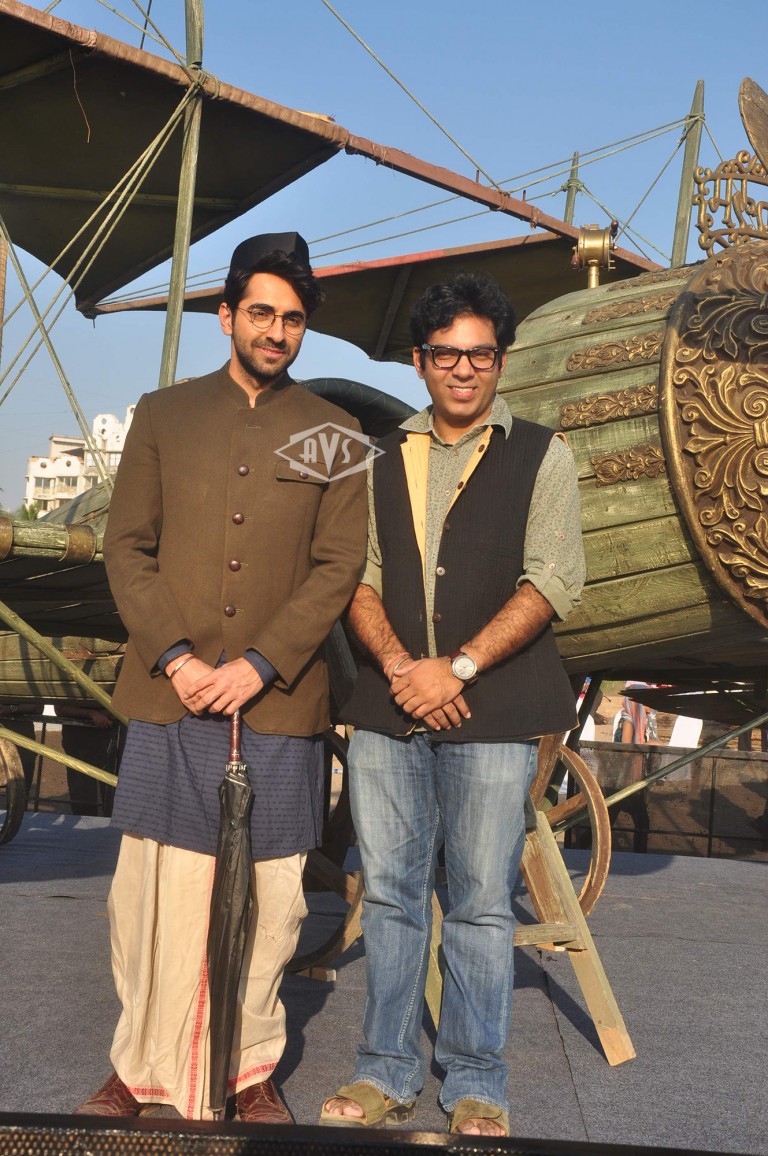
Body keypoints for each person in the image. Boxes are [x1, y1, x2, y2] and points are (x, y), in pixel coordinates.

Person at [75, 233, 367, 1123]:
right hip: (169, 694)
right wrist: (177, 656)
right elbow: (127, 548)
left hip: (279, 705)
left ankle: (248, 1072)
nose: (276, 331)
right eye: (262, 313)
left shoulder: (336, 434)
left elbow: (339, 565)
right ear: (226, 315)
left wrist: (258, 664)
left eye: (293, 319)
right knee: (149, 891)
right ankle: (138, 1068)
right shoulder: (163, 415)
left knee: (273, 897)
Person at [320, 271, 585, 1136]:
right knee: (389, 898)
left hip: (493, 713)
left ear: (500, 362)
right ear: (420, 361)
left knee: (479, 903)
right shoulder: (374, 457)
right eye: (447, 354)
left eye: (481, 355)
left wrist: (457, 668)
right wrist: (404, 667)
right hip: (388, 707)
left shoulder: (544, 454)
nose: (464, 369)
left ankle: (476, 1081)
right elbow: (356, 577)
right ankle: (385, 1070)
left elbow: (553, 579)